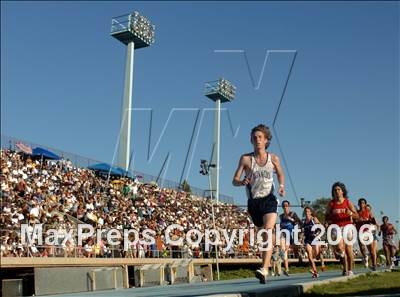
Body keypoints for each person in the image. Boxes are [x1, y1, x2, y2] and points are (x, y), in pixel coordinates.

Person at [233, 124, 285, 284]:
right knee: (264, 236)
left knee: (267, 232)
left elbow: (280, 175)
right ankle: (278, 242)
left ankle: (264, 268)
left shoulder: (273, 158)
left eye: (260, 137)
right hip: (253, 202)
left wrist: (281, 186)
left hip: (269, 199)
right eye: (254, 137)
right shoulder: (246, 159)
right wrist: (242, 182)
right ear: (251, 140)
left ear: (266, 140)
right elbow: (234, 180)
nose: (257, 140)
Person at [325, 182, 358, 276]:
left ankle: (349, 270)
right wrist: (326, 222)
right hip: (336, 227)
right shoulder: (331, 203)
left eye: (339, 189)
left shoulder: (347, 202)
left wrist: (350, 213)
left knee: (349, 250)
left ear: (343, 191)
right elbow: (327, 215)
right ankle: (344, 267)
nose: (337, 191)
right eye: (335, 190)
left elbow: (357, 216)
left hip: (348, 227)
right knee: (340, 247)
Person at [279, 200, 301, 276]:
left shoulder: (293, 214)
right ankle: (287, 269)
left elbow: (299, 222)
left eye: (286, 205)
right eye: (284, 206)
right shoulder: (281, 216)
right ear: (282, 207)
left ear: (289, 206)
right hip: (284, 233)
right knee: (283, 249)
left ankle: (298, 255)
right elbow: (281, 225)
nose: (285, 207)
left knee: (295, 251)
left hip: (293, 233)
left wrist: (292, 220)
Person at [302, 206, 326, 278]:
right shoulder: (304, 221)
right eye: (305, 211)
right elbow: (303, 231)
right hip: (308, 240)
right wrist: (302, 238)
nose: (306, 213)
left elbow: (321, 227)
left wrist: (317, 233)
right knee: (309, 256)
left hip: (315, 239)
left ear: (310, 212)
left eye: (308, 211)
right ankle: (315, 272)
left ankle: (322, 262)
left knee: (317, 256)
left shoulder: (314, 219)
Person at [355, 198, 378, 270]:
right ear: (358, 204)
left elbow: (373, 220)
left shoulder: (368, 212)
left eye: (363, 203)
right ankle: (365, 257)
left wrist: (370, 221)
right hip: (360, 231)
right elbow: (354, 221)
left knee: (371, 249)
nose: (362, 204)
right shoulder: (356, 212)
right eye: (360, 203)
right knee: (362, 247)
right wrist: (358, 220)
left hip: (367, 232)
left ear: (365, 204)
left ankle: (374, 265)